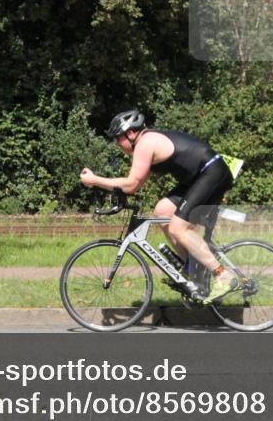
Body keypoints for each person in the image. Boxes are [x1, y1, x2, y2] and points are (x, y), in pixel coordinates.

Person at [79, 109, 238, 304]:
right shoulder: (146, 142)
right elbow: (135, 184)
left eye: (117, 138)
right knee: (163, 210)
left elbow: (132, 185)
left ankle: (223, 276)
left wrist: (95, 180)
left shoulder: (145, 144)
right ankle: (195, 271)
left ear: (130, 133)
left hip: (212, 173)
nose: (116, 144)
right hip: (199, 177)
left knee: (178, 228)